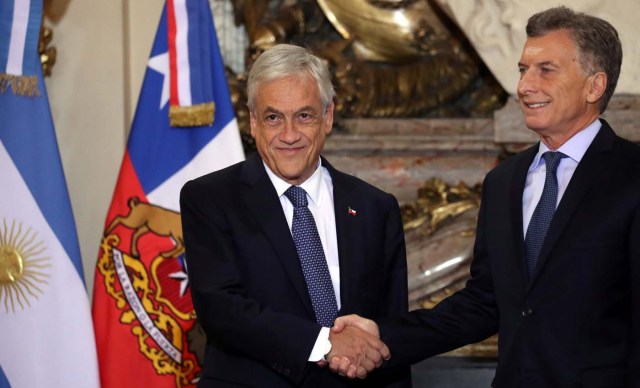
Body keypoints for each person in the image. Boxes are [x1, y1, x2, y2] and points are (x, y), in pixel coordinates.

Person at [330, 6, 640, 387]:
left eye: (546, 69)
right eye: (524, 70)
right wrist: (381, 336)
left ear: (594, 85)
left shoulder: (632, 176)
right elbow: (483, 303)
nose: (525, 86)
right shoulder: (503, 182)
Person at [180, 44, 412, 387]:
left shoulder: (375, 207)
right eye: (274, 117)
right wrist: (323, 343)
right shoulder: (210, 199)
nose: (289, 135)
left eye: (304, 115)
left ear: (328, 117)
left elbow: (391, 331)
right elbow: (222, 310)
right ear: (254, 123)